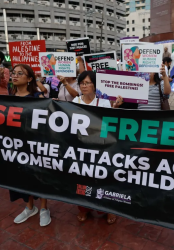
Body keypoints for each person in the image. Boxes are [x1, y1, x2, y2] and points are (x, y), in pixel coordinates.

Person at [72, 71, 122, 224]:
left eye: (87, 83)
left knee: (102, 180)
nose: (84, 86)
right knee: (82, 181)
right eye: (81, 83)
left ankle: (106, 209)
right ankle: (84, 209)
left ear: (95, 85)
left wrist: (115, 108)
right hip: (81, 149)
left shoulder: (104, 103)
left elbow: (108, 127)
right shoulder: (75, 100)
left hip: (100, 150)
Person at [8, 64, 51, 227]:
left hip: (36, 145)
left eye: (20, 73)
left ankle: (44, 208)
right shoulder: (8, 97)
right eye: (14, 73)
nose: (15, 75)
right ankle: (29, 207)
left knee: (39, 176)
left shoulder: (37, 97)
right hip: (16, 144)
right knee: (23, 176)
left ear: (30, 78)